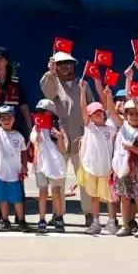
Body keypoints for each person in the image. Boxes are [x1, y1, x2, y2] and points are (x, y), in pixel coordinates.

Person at [40, 51, 93, 225]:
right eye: (61, 63)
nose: (65, 66)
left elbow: (91, 108)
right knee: (58, 179)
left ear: (73, 65)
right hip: (59, 139)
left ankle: (89, 214)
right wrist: (50, 72)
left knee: (84, 179)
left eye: (68, 63)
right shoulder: (53, 83)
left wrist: (89, 135)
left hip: (81, 138)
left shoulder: (83, 84)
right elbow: (47, 92)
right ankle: (58, 214)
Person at [107, 98, 138, 237]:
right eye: (131, 114)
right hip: (123, 168)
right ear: (126, 115)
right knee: (124, 197)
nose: (134, 117)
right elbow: (111, 109)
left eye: (137, 114)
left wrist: (132, 148)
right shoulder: (123, 127)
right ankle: (125, 225)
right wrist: (109, 96)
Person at [77, 79, 116, 235]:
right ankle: (96, 222)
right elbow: (82, 108)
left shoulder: (111, 128)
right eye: (94, 113)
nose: (98, 114)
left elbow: (110, 109)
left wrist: (108, 96)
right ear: (90, 116)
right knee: (94, 197)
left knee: (110, 198)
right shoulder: (89, 127)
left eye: (100, 111)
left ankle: (112, 222)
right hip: (92, 168)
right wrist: (82, 91)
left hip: (107, 168)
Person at [0, 104, 29, 231]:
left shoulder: (19, 135)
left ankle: (21, 220)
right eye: (3, 118)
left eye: (9, 118)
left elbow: (23, 152)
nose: (6, 121)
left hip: (15, 172)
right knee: (2, 198)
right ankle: (5, 220)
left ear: (14, 119)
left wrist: (24, 166)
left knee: (17, 198)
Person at [30, 100, 68, 232]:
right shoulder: (36, 127)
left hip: (55, 165)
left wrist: (60, 137)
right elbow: (34, 140)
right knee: (42, 193)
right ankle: (41, 219)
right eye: (39, 111)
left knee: (56, 192)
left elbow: (63, 150)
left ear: (51, 113)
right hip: (41, 164)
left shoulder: (58, 128)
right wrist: (39, 131)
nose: (40, 114)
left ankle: (58, 218)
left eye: (44, 111)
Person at [0, 47, 31, 138]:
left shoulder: (15, 83)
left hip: (15, 131)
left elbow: (24, 108)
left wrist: (29, 129)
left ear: (6, 61)